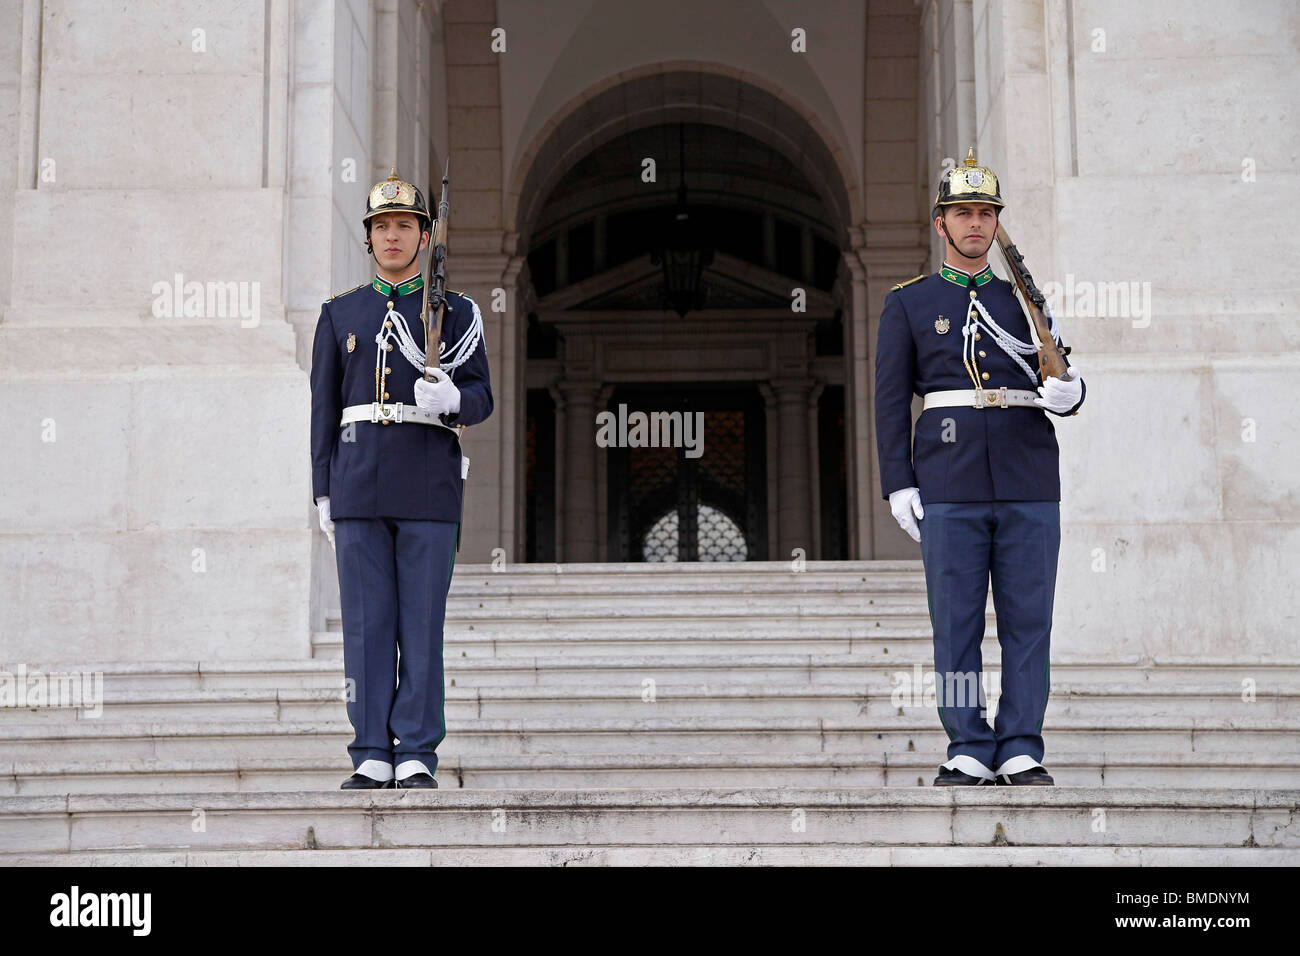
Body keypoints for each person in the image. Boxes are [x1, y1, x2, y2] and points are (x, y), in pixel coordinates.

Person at [874, 148, 1085, 787]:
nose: (974, 224)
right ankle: (967, 741)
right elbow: (889, 399)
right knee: (957, 620)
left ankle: (1021, 742)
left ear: (996, 224)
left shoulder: (1023, 299)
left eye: (985, 213)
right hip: (949, 480)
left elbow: (1054, 370)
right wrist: (897, 481)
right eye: (962, 212)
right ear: (941, 224)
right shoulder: (909, 303)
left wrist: (1073, 393)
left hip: (1027, 478)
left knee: (1028, 618)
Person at [310, 168, 493, 789]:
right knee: (366, 623)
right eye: (382, 226)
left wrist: (452, 402)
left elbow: (482, 397)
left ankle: (415, 748)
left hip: (427, 483)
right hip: (358, 480)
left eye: (405, 226)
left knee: (421, 621)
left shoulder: (458, 312)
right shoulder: (341, 314)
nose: (393, 236)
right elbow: (324, 409)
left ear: (423, 237)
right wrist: (323, 489)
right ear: (368, 239)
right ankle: (369, 749)